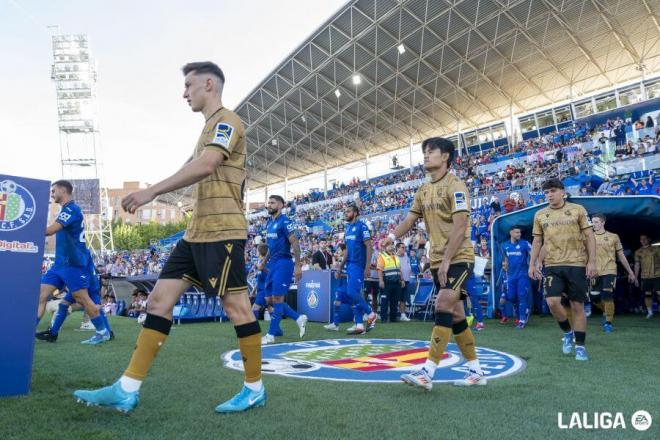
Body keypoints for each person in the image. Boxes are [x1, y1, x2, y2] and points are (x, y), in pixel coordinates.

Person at [73, 62, 265, 413]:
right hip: (195, 235)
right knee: (158, 302)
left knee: (236, 308)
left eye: (189, 85)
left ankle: (254, 388)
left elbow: (206, 165)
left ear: (209, 84)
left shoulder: (227, 121)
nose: (184, 92)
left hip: (222, 231)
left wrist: (152, 192)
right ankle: (127, 388)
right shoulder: (209, 126)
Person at [392, 137, 485, 390]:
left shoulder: (456, 186)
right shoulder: (423, 189)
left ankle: (427, 371)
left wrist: (445, 261)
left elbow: (461, 226)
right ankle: (476, 370)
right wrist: (390, 237)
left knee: (443, 304)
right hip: (437, 260)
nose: (425, 155)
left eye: (431, 151)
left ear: (445, 156)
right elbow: (410, 220)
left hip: (459, 257)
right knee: (455, 314)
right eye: (424, 152)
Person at [529, 178, 597, 361]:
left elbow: (590, 236)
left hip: (576, 264)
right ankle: (567, 332)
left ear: (562, 192)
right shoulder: (540, 215)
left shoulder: (578, 210)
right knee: (552, 301)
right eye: (546, 192)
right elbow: (537, 241)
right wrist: (532, 264)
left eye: (552, 191)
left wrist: (592, 262)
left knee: (577, 305)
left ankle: (580, 347)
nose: (549, 195)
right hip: (552, 265)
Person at [36, 180, 111, 345]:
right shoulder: (66, 210)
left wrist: (28, 228)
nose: (52, 194)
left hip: (73, 264)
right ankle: (29, 332)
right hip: (60, 264)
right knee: (41, 295)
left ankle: (103, 332)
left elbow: (50, 231)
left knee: (83, 298)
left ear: (63, 191)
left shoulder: (72, 209)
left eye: (54, 191)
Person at [260, 195, 307, 344]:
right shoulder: (269, 223)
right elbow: (270, 247)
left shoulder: (286, 221)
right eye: (269, 203)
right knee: (269, 299)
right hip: (272, 264)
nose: (269, 205)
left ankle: (271, 335)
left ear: (281, 205)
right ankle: (298, 318)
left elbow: (295, 243)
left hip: (284, 263)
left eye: (272, 203)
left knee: (278, 298)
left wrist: (298, 265)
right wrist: (264, 261)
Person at [590, 214, 636, 332]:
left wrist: (630, 272)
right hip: (595, 271)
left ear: (603, 222)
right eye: (592, 222)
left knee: (607, 296)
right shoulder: (588, 237)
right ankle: (606, 311)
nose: (593, 224)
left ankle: (608, 323)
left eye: (596, 222)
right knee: (594, 298)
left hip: (609, 270)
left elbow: (621, 255)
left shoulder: (613, 237)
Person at [336, 204, 377, 335]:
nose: (345, 213)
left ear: (355, 213)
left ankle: (371, 313)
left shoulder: (362, 227)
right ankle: (359, 325)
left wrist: (367, 266)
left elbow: (369, 247)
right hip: (350, 265)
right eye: (345, 211)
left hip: (359, 265)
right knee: (352, 294)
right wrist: (340, 267)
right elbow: (347, 250)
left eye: (348, 211)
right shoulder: (347, 229)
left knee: (352, 292)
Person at [501, 226, 532, 329]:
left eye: (520, 232)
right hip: (511, 276)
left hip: (522, 276)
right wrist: (505, 265)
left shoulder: (524, 244)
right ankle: (524, 311)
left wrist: (534, 266)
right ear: (511, 233)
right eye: (517, 232)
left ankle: (522, 320)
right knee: (510, 297)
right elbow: (505, 259)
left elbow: (533, 254)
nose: (519, 234)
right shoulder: (505, 246)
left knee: (522, 296)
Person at [376, 238, 404, 323]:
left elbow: (399, 269)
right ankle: (384, 318)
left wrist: (402, 280)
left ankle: (393, 318)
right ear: (385, 247)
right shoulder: (382, 256)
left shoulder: (396, 256)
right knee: (384, 301)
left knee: (394, 301)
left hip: (396, 282)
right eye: (389, 245)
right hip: (386, 282)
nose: (391, 246)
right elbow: (379, 270)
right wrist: (381, 281)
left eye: (392, 245)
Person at [325, 244, 350, 331]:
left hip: (347, 285)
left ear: (344, 250)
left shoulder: (347, 260)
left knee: (352, 302)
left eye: (339, 249)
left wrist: (339, 273)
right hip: (342, 285)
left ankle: (365, 314)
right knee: (337, 302)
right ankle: (335, 324)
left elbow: (348, 274)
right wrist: (337, 271)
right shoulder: (341, 260)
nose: (337, 251)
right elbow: (338, 275)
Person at [634, 234, 660, 319]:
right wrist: (635, 277)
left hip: (657, 274)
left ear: (649, 239)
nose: (643, 241)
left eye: (645, 239)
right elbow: (637, 264)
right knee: (647, 294)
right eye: (641, 239)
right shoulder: (638, 251)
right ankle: (650, 312)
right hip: (645, 276)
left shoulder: (656, 249)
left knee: (659, 292)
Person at [251, 244, 270, 320]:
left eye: (257, 250)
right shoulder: (260, 263)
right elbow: (259, 279)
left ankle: (253, 326)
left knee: (254, 308)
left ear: (261, 251)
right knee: (270, 308)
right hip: (260, 290)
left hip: (264, 290)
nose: (256, 251)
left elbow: (270, 275)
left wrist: (263, 268)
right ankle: (276, 326)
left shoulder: (265, 263)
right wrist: (254, 290)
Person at [396, 242, 412, 321]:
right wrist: (401, 279)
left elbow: (408, 267)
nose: (404, 249)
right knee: (395, 298)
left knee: (403, 298)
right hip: (398, 280)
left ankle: (402, 314)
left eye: (405, 247)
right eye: (402, 247)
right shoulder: (395, 257)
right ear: (398, 248)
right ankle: (393, 314)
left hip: (407, 280)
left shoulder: (406, 256)